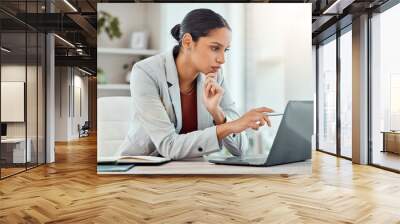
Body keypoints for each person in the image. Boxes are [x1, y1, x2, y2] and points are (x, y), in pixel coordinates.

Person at [118, 8, 273, 160]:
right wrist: (231, 126)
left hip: (192, 169)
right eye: (215, 48)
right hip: (142, 169)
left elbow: (240, 150)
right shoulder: (146, 72)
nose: (222, 59)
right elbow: (168, 146)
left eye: (225, 50)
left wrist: (217, 113)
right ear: (187, 42)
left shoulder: (216, 76)